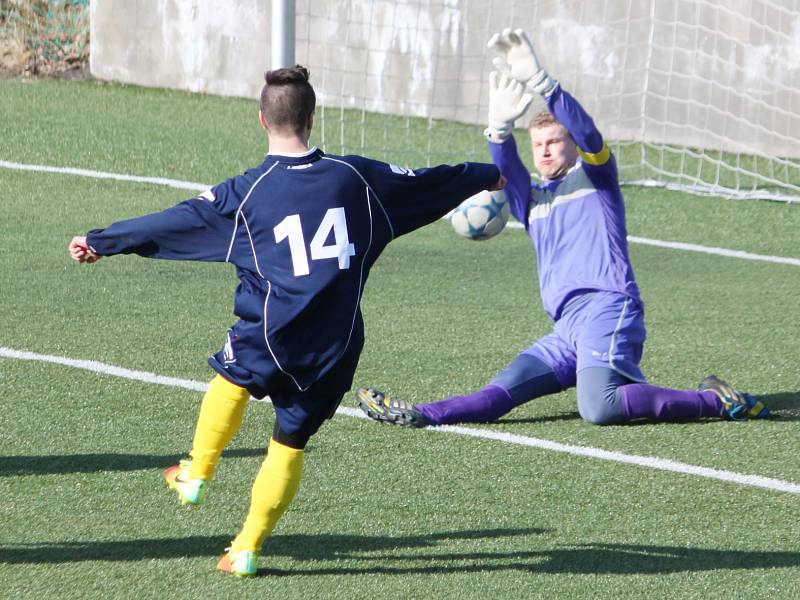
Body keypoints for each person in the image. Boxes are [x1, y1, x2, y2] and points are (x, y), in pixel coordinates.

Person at [68, 65, 504, 577]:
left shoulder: (247, 193)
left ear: (261, 120)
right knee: (289, 442)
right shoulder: (358, 178)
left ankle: (197, 472)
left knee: (232, 377)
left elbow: (175, 220)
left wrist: (102, 240)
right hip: (337, 345)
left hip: (271, 333)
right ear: (312, 119)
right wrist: (489, 174)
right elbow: (433, 181)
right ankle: (247, 548)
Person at [357, 28, 768, 429]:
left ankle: (714, 401)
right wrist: (498, 130)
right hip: (566, 326)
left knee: (600, 408)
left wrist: (543, 83)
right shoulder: (531, 200)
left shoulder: (597, 180)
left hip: (607, 308)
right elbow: (507, 170)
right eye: (538, 144)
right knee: (502, 391)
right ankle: (422, 413)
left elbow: (589, 134)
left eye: (555, 141)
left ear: (571, 144)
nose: (546, 150)